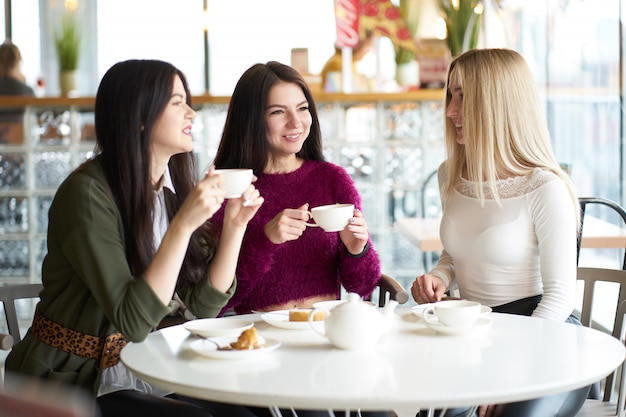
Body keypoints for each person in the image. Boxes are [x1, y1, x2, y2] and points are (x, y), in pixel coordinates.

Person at [4, 59, 264, 417]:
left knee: (246, 411)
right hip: (73, 379)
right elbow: (132, 319)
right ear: (140, 117)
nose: (191, 111)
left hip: (143, 363)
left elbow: (201, 306)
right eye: (177, 102)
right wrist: (183, 226)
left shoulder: (169, 192)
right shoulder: (88, 195)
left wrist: (235, 226)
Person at [411, 48, 589, 417]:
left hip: (544, 338)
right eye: (450, 95)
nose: (450, 111)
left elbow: (558, 299)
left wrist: (510, 375)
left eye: (464, 97)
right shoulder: (451, 173)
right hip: (476, 334)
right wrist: (439, 276)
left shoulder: (546, 188)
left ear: (498, 105)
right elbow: (456, 252)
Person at [212, 60, 381, 316]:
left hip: (322, 330)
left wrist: (357, 250)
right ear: (251, 120)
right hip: (259, 335)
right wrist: (264, 240)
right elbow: (218, 302)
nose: (296, 123)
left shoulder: (332, 179)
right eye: (278, 112)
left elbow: (363, 288)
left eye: (302, 109)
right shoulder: (231, 188)